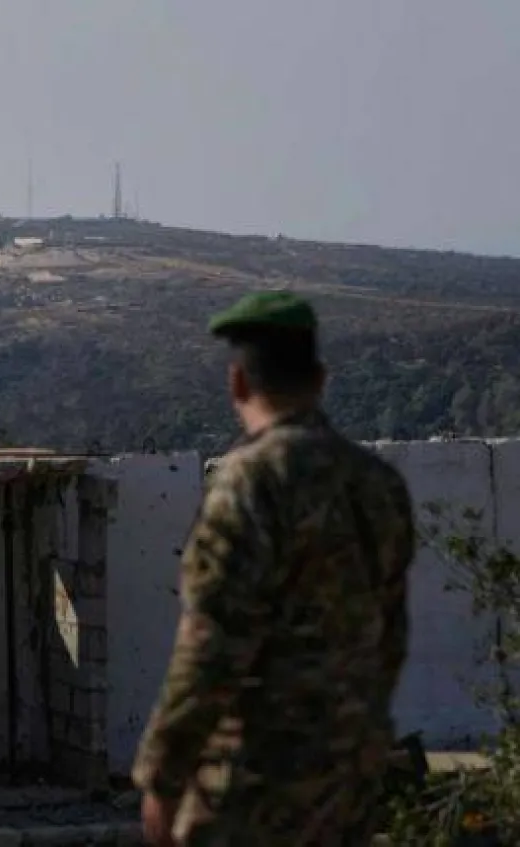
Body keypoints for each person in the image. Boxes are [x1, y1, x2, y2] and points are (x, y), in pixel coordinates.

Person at [131, 291, 416, 846]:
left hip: (258, 781)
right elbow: (390, 638)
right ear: (322, 378)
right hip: (348, 775)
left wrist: (161, 777)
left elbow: (211, 644)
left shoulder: (250, 481)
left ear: (237, 383)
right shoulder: (378, 482)